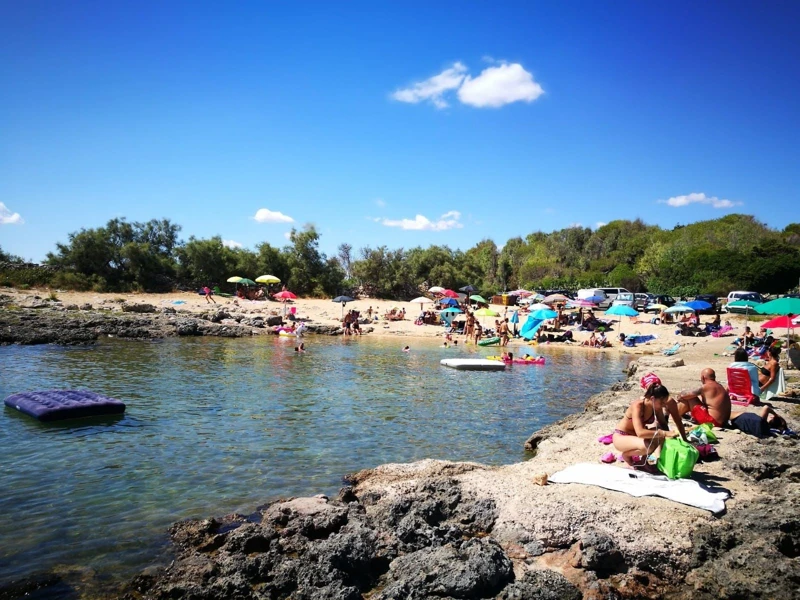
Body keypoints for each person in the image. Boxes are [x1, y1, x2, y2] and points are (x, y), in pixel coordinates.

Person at [612, 373, 688, 468]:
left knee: (659, 434)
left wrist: (675, 438)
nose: (664, 405)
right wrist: (664, 433)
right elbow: (640, 433)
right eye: (662, 402)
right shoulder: (638, 406)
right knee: (648, 445)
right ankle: (626, 456)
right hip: (622, 437)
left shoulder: (655, 406)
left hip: (636, 438)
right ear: (652, 398)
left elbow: (663, 425)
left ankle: (644, 462)